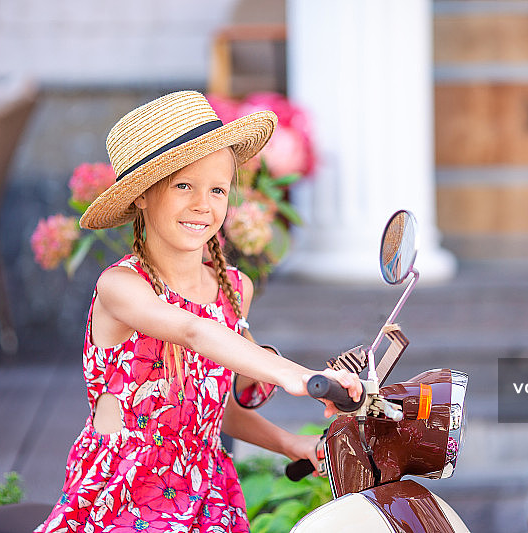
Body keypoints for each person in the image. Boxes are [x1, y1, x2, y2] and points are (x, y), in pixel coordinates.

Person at [35, 91, 361, 533]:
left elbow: (211, 407)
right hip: (125, 491)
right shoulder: (121, 287)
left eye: (217, 189)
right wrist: (299, 377)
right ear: (143, 197)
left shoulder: (233, 289)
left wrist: (288, 443)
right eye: (183, 185)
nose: (203, 205)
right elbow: (192, 331)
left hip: (208, 489)